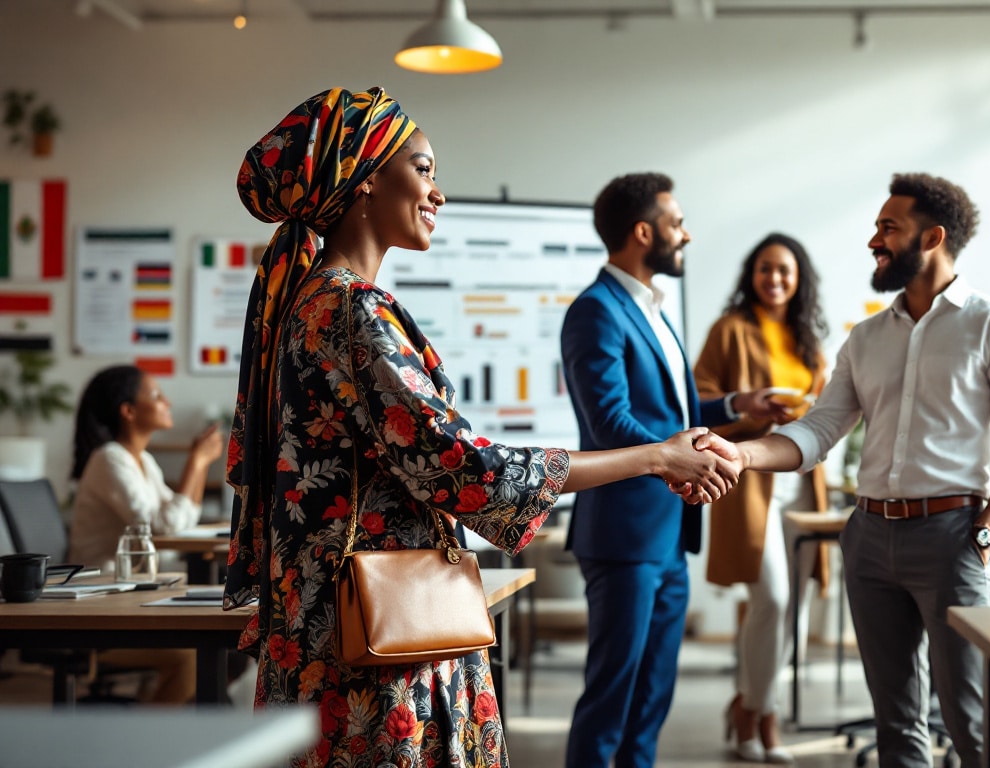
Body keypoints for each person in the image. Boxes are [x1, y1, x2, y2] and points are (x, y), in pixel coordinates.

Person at [223, 88, 738, 768]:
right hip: (371, 644)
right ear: (367, 175)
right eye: (425, 169)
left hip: (338, 621)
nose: (438, 192)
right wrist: (657, 457)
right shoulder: (351, 310)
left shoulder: (318, 302)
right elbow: (465, 469)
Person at [694, 173, 990, 767]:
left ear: (932, 237)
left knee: (970, 718)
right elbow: (818, 429)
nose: (874, 241)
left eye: (889, 228)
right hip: (869, 538)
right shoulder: (865, 339)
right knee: (896, 720)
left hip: (954, 538)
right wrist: (742, 453)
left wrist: (989, 527)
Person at [560, 173, 787, 768]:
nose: (685, 233)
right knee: (612, 695)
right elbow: (610, 422)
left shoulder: (654, 309)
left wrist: (737, 407)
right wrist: (679, 460)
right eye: (675, 222)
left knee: (652, 698)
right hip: (624, 534)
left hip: (670, 533)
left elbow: (673, 413)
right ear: (643, 232)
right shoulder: (595, 312)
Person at [692, 233, 830, 764]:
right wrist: (754, 413)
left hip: (804, 481)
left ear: (800, 280)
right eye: (766, 269)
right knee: (771, 598)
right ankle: (761, 715)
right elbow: (697, 398)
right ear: (752, 273)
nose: (775, 279)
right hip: (751, 481)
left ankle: (748, 704)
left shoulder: (808, 340)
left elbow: (829, 409)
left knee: (792, 607)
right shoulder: (729, 330)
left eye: (785, 271)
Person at [68, 364, 224, 703]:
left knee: (223, 639)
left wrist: (198, 463)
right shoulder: (110, 459)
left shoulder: (142, 460)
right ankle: (151, 750)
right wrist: (196, 462)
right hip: (104, 606)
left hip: (135, 593)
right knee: (195, 654)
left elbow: (181, 517)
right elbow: (162, 526)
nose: (167, 401)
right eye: (156, 395)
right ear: (128, 411)